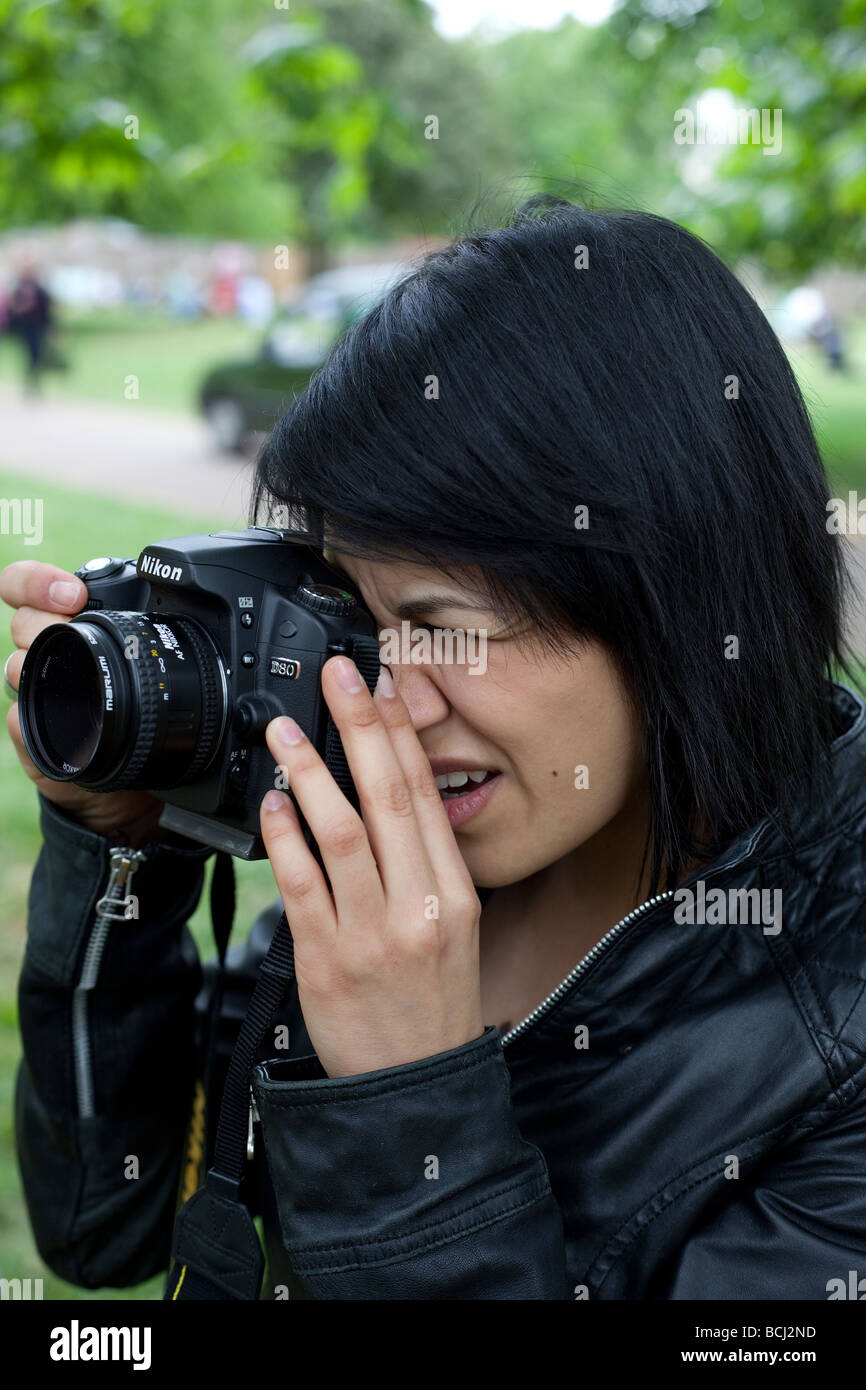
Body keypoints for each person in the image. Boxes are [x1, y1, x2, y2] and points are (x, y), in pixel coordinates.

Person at [4, 193, 866, 1301]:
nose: (381, 702)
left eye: (442, 622)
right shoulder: (409, 852)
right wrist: (124, 854)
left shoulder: (833, 1045)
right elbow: (104, 1226)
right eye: (355, 620)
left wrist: (409, 1096)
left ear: (677, 597)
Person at [5, 262, 55, 394]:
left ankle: (34, 381)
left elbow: (46, 310)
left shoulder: (39, 289)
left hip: (37, 327)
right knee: (29, 354)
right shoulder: (19, 289)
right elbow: (12, 310)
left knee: (37, 354)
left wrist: (51, 327)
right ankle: (30, 381)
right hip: (25, 328)